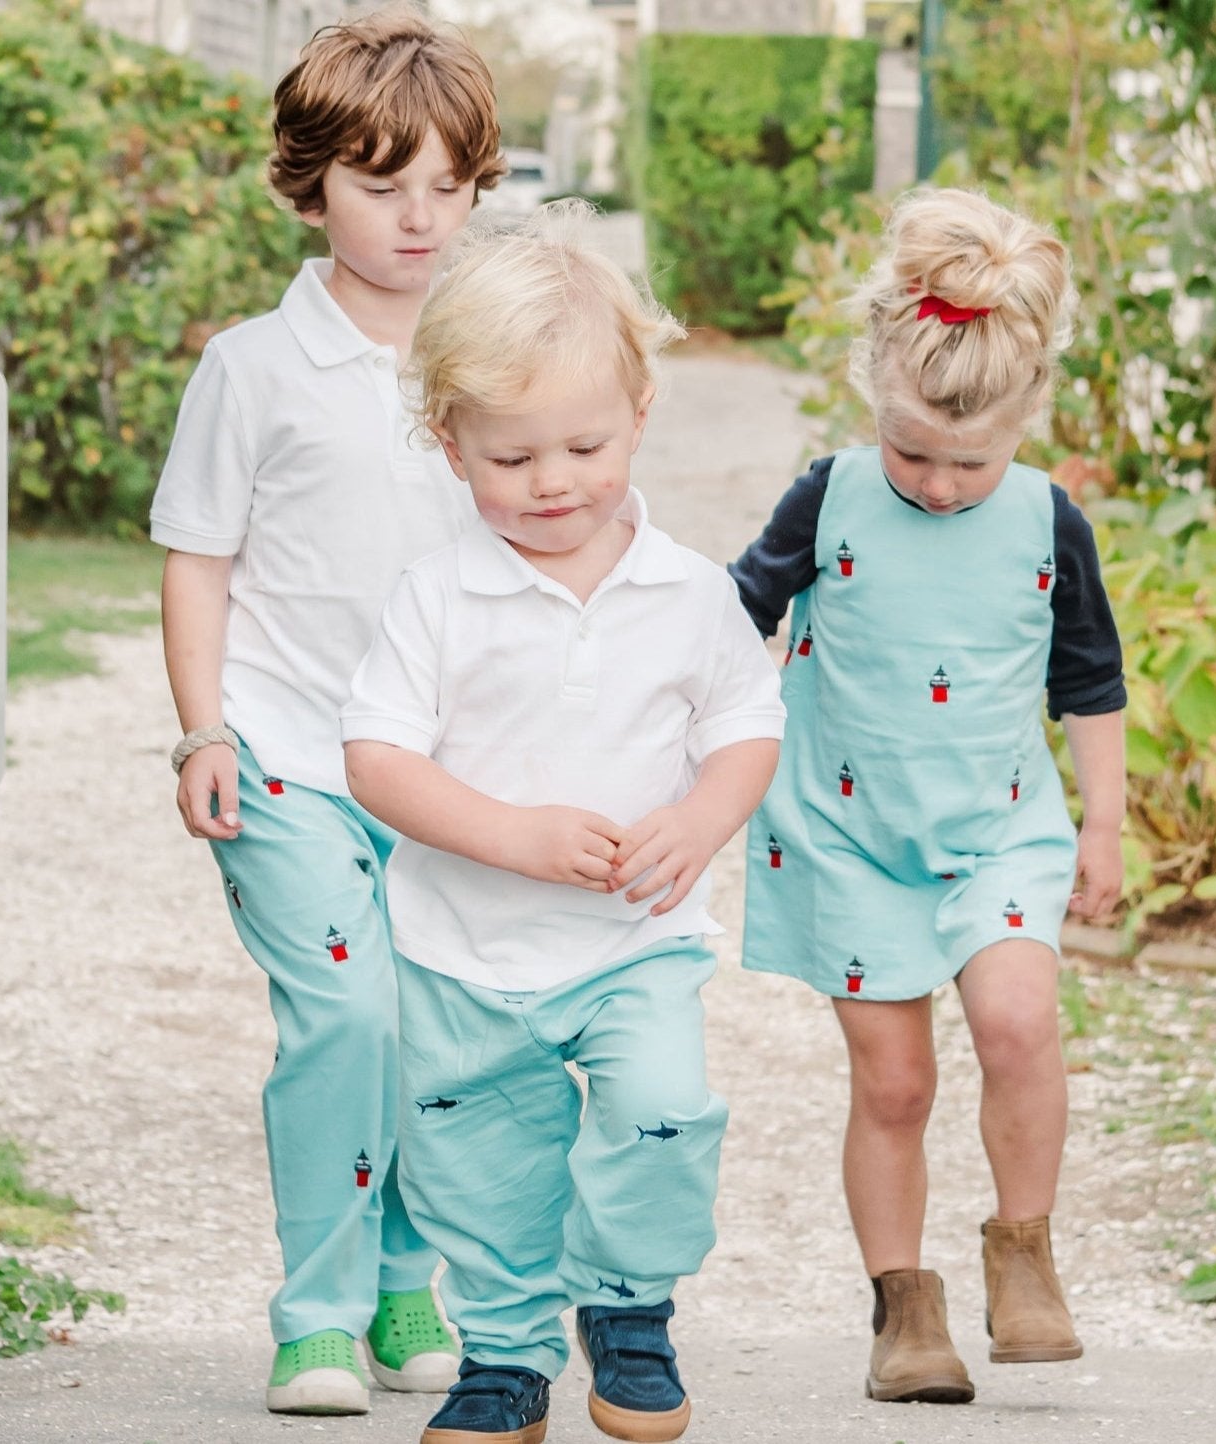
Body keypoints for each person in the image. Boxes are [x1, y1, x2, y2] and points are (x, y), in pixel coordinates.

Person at [340, 205, 786, 1444]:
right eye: (511, 458)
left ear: (639, 415)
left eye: (584, 446)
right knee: (479, 1161)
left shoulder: (691, 593)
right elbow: (374, 756)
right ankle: (504, 1356)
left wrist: (701, 817)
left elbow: (747, 723)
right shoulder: (437, 597)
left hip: (631, 942)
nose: (552, 483)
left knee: (662, 1107)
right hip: (466, 952)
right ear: (448, 446)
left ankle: (629, 1306)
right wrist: (507, 833)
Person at [150, 5, 504, 1417]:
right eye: (381, 184)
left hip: (445, 772)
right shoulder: (254, 364)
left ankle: (410, 1280)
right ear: (309, 183)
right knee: (346, 1016)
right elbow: (200, 558)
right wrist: (203, 731)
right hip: (289, 758)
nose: (419, 220)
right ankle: (315, 1314)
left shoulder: (489, 350)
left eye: (449, 187)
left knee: (438, 1033)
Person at [730, 187, 1126, 1405]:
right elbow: (724, 623)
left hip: (996, 827)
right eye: (913, 452)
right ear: (869, 395)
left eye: (971, 458)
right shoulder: (829, 497)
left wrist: (1101, 822)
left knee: (1016, 1025)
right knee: (894, 1084)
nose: (941, 484)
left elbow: (1088, 678)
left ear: (1025, 421)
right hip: (847, 835)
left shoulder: (1044, 520)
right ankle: (904, 1306)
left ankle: (1023, 1253)